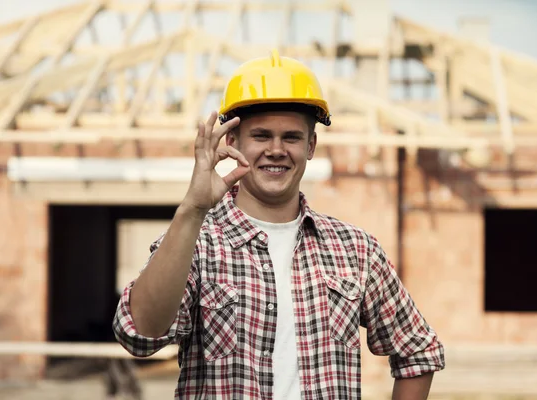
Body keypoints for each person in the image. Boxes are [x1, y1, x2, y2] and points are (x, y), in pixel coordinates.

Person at [113, 49, 445, 399]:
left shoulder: (355, 250)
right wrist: (192, 209)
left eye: (291, 137)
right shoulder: (196, 243)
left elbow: (418, 350)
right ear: (232, 142)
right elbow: (140, 335)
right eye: (261, 136)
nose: (276, 149)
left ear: (311, 145)